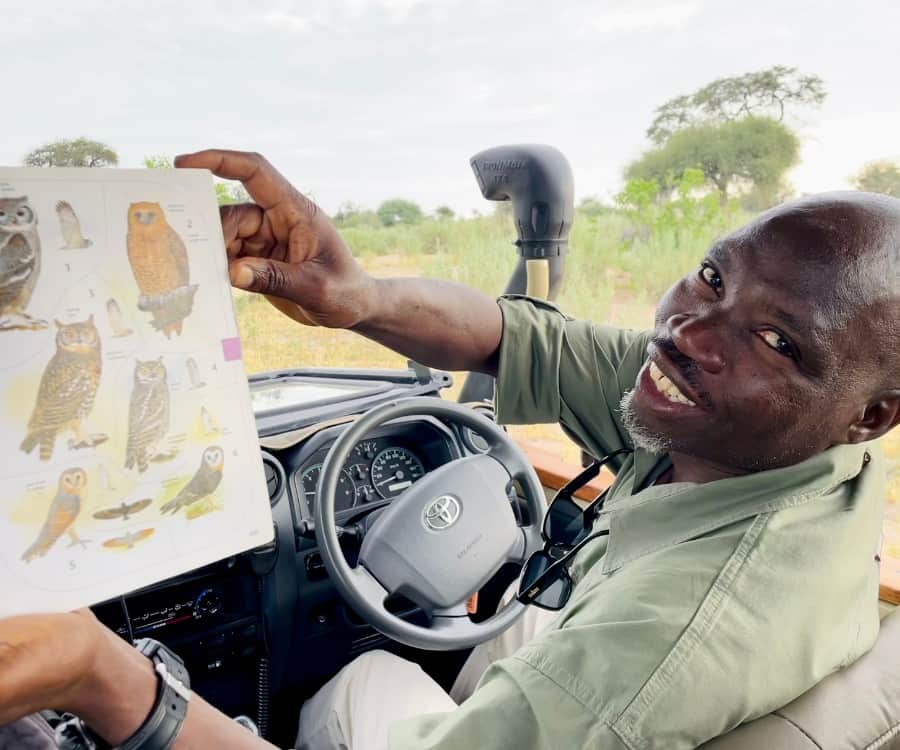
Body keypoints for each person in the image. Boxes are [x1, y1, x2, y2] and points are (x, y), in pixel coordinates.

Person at [1, 150, 898, 750]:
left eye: (780, 343)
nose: (686, 335)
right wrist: (359, 296)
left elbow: (627, 665)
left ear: (871, 415)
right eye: (711, 274)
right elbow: (517, 340)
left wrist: (106, 676)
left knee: (362, 683)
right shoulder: (736, 421)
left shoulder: (666, 642)